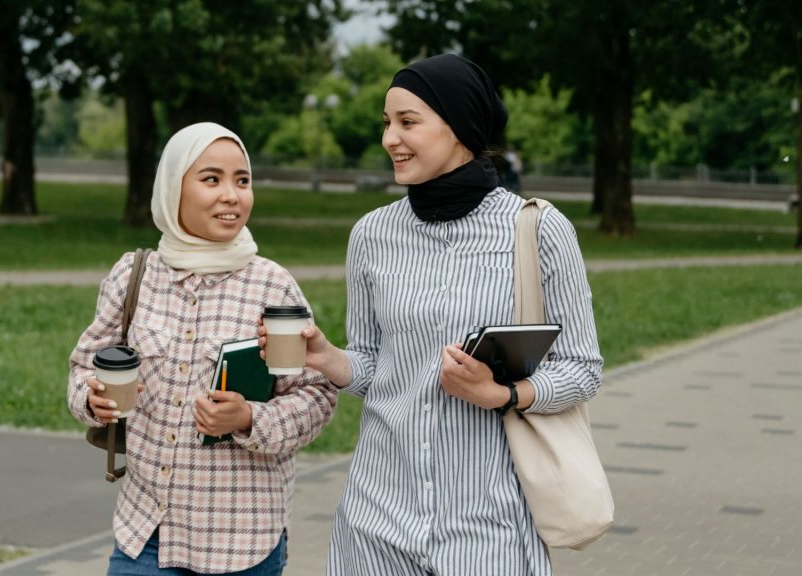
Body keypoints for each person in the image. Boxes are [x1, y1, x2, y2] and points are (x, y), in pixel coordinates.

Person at [261, 54, 603, 575]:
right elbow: (379, 367)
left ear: (459, 126)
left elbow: (583, 368)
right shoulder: (372, 234)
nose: (389, 139)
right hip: (375, 520)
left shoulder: (537, 229)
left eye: (408, 122)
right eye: (386, 123)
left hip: (487, 525)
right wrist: (330, 358)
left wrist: (504, 394)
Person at [68, 122, 338, 575]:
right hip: (146, 533)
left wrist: (249, 418)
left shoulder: (272, 287)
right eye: (211, 179)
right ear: (173, 188)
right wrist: (91, 398)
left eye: (242, 180)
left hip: (243, 541)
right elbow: (82, 369)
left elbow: (316, 395)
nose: (231, 195)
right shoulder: (134, 276)